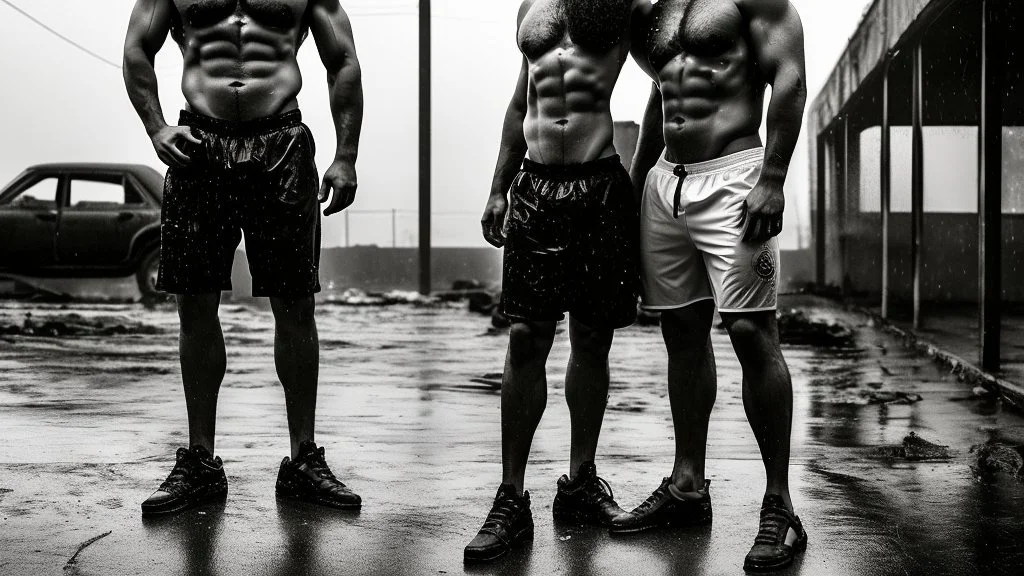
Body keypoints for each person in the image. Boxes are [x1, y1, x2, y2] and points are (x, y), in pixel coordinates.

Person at [123, 0, 363, 516]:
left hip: (281, 142)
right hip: (197, 143)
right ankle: (201, 462)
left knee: (296, 305)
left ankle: (303, 461)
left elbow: (342, 60)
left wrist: (346, 156)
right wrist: (156, 127)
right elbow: (137, 47)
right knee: (195, 305)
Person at [613, 0, 808, 571]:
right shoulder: (656, 11)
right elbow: (661, 96)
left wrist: (773, 178)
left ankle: (780, 506)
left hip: (736, 179)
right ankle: (687, 486)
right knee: (683, 331)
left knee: (750, 332)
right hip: (666, 184)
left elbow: (789, 79)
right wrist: (635, 184)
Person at [465, 0, 640, 564]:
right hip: (535, 186)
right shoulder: (531, 8)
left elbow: (674, 72)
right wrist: (498, 186)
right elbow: (521, 101)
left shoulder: (624, 5)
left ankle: (581, 482)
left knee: (591, 338)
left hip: (599, 185)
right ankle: (511, 499)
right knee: (525, 336)